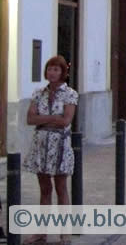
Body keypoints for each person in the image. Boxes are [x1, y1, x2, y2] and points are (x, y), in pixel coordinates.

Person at [23, 56, 77, 244]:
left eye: (55, 69)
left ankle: (65, 232)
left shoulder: (70, 94)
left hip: (60, 146)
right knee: (44, 189)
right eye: (49, 69)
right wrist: (53, 118)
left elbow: (65, 121)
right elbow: (30, 119)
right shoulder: (39, 93)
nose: (51, 73)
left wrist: (43, 117)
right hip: (41, 145)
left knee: (61, 188)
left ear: (63, 72)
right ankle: (41, 232)